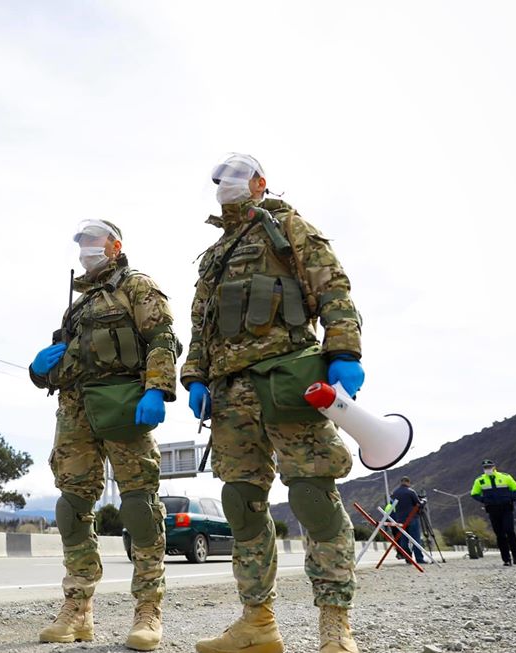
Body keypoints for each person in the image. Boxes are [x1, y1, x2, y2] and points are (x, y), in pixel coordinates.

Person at [182, 153, 363, 653]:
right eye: (220, 179)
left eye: (237, 176)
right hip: (229, 394)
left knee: (312, 497)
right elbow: (200, 326)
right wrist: (194, 376)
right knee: (241, 505)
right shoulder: (215, 255)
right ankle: (257, 624)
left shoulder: (287, 227)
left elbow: (333, 288)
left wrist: (344, 350)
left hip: (288, 377)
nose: (226, 184)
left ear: (261, 182)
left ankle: (335, 626)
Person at [29, 220, 180, 651]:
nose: (86, 249)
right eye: (82, 243)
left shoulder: (136, 286)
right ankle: (78, 610)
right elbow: (62, 365)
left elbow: (162, 338)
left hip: (122, 403)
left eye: (94, 241)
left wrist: (157, 389)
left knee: (139, 506)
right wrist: (37, 370)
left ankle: (148, 610)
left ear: (115, 246)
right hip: (75, 412)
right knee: (71, 506)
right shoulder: (77, 306)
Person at [470, 459, 516, 566]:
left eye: (489, 467)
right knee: (500, 534)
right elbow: (474, 493)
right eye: (485, 468)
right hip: (493, 510)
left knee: (510, 531)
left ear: (494, 467)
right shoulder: (480, 480)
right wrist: (484, 500)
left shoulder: (505, 477)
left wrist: (509, 498)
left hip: (506, 508)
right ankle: (506, 559)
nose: (488, 469)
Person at [389, 476, 426, 564]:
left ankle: (408, 558)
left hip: (400, 519)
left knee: (404, 540)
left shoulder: (395, 493)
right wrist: (424, 501)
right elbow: (418, 504)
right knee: (416, 539)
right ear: (408, 482)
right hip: (412, 518)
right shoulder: (411, 491)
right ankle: (419, 559)